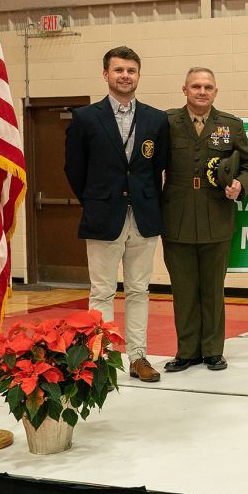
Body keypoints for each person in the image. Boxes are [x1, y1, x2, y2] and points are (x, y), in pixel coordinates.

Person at [64, 46, 170, 383]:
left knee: (139, 290)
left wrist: (144, 199)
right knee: (102, 292)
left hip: (143, 217)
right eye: (119, 70)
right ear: (106, 74)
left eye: (131, 71)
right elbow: (74, 169)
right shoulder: (85, 117)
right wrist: (96, 200)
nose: (125, 76)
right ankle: (101, 360)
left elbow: (158, 168)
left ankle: (138, 357)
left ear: (139, 75)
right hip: (102, 216)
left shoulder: (156, 118)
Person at [161, 67, 248, 373]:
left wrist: (241, 184)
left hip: (217, 215)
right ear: (184, 90)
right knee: (184, 288)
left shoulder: (230, 125)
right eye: (196, 86)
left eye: (208, 87)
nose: (202, 92)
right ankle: (187, 350)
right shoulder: (167, 123)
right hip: (176, 216)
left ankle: (214, 350)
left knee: (213, 288)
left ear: (215, 92)